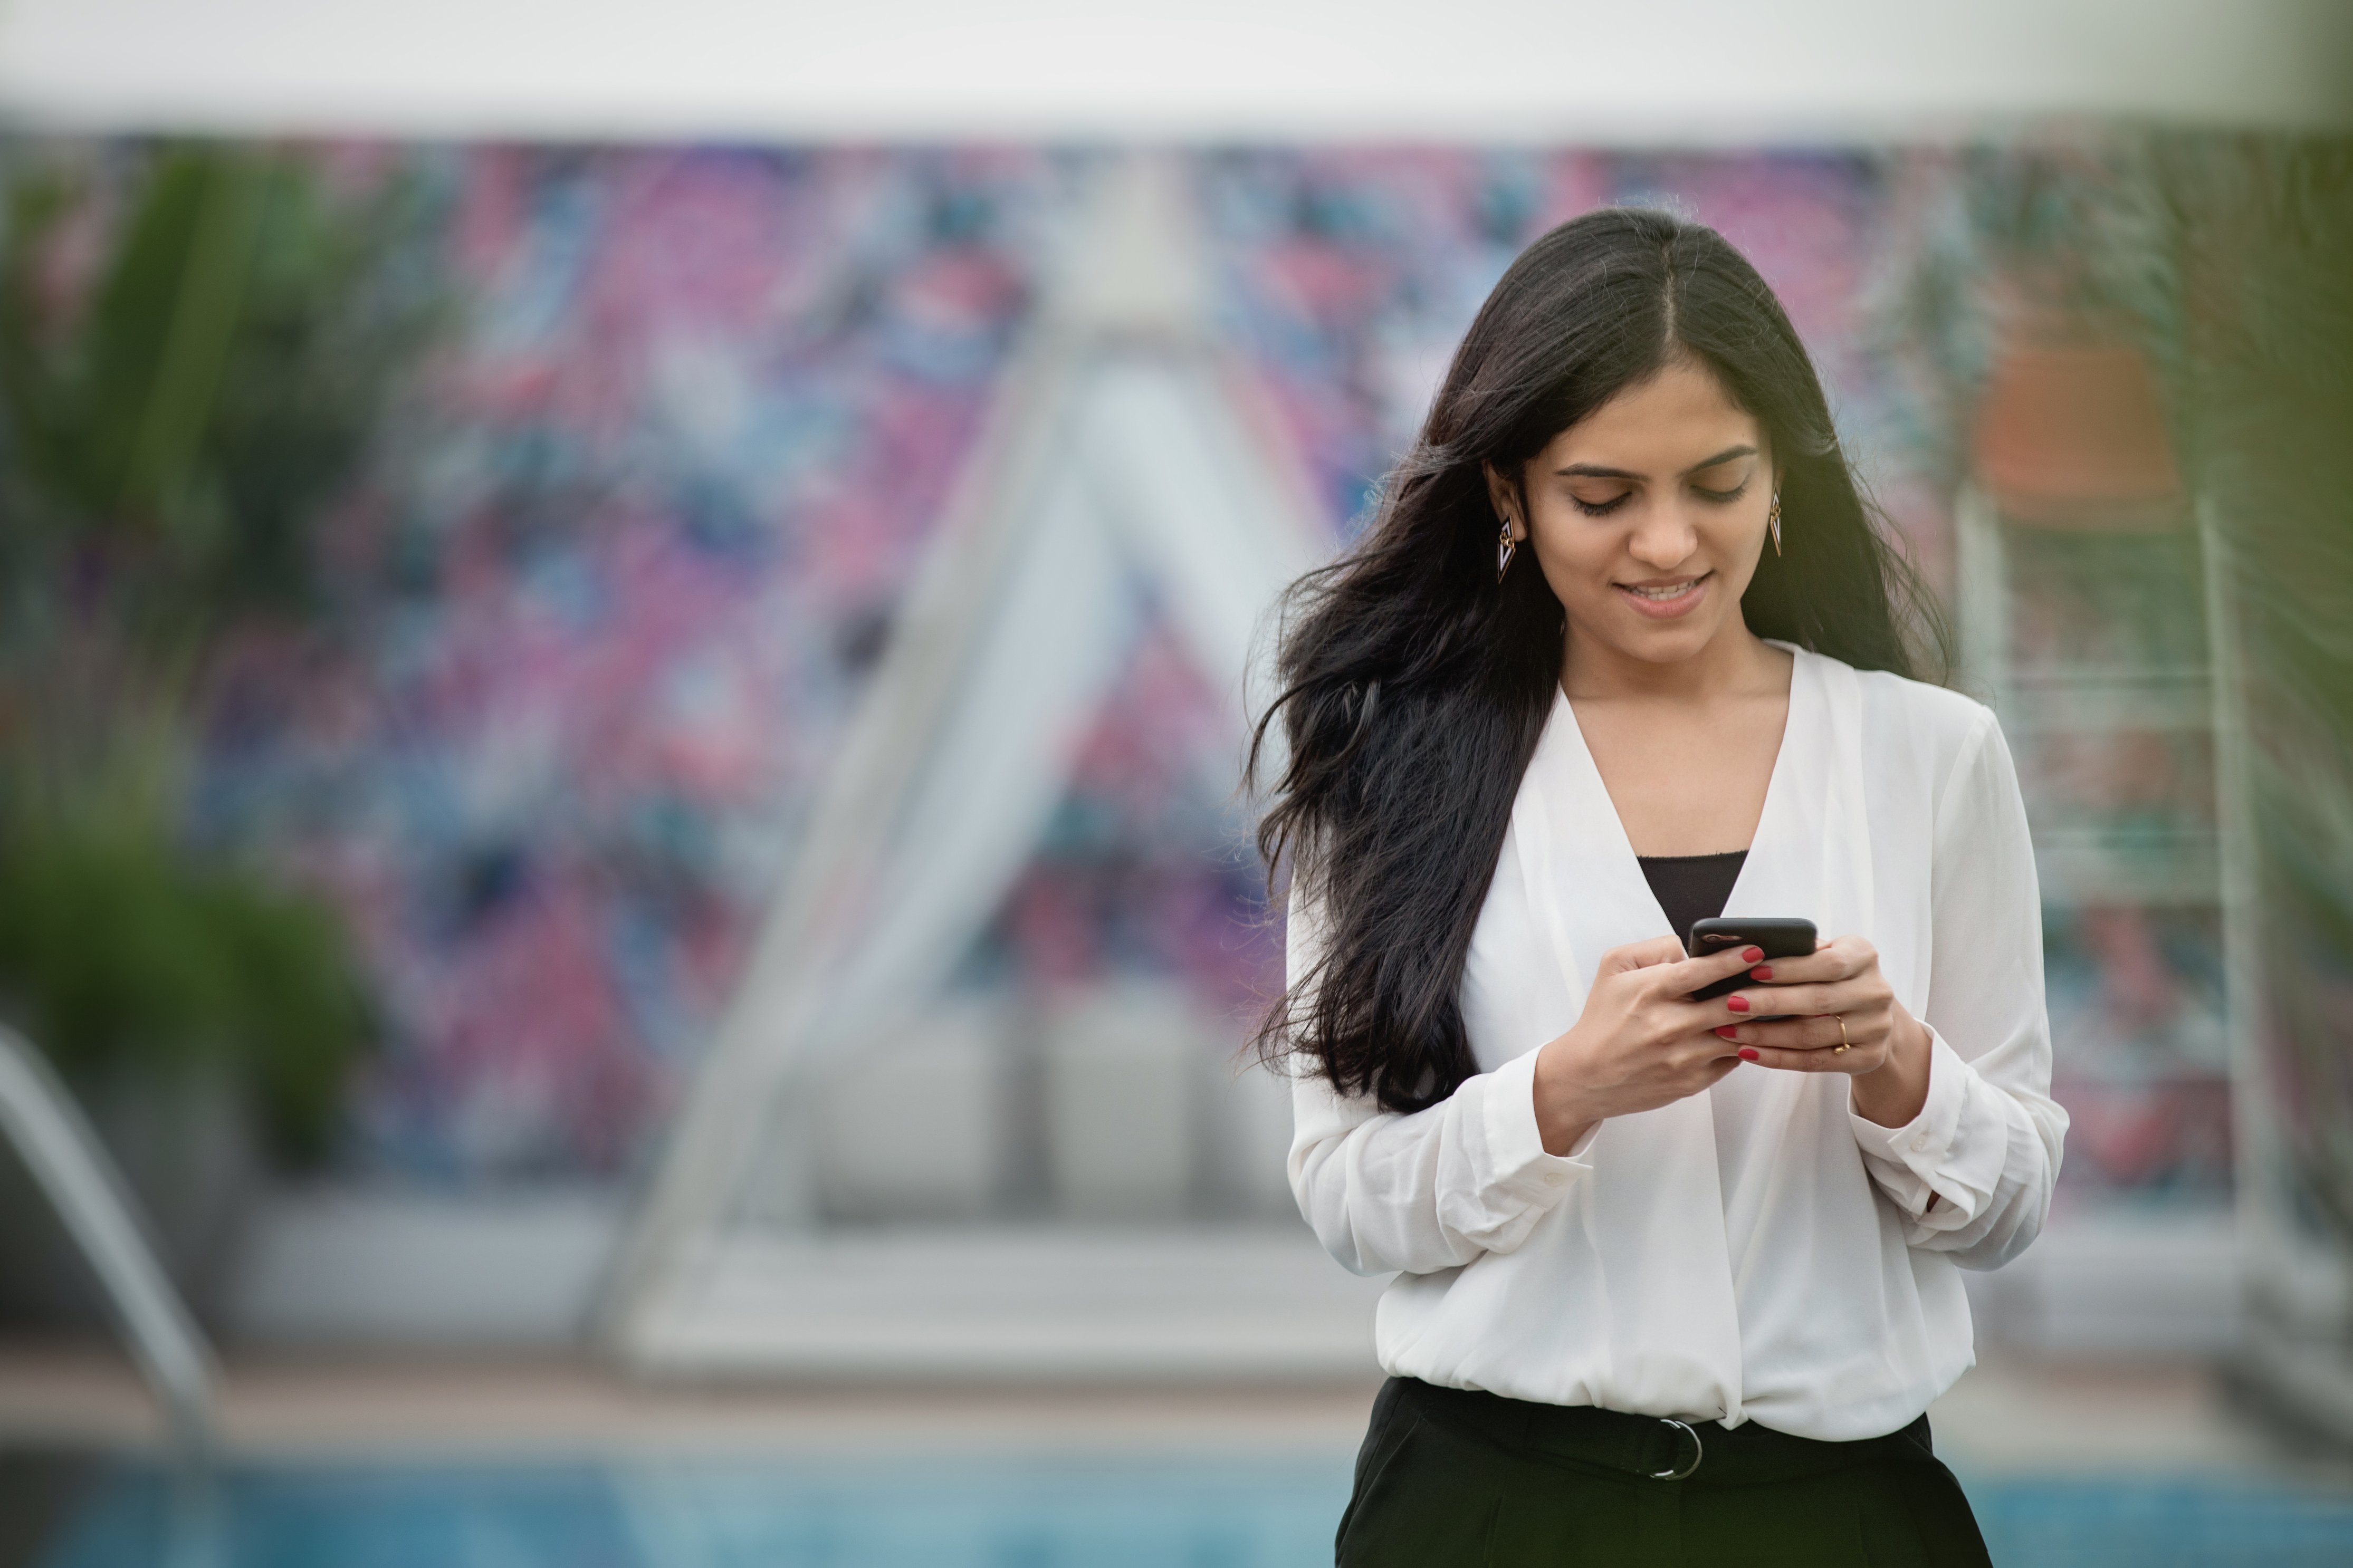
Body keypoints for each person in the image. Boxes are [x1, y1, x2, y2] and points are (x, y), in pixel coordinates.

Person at [1249, 208, 2067, 1566]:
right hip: (1490, 1511)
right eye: (1603, 495)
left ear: (1781, 477)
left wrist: (1897, 1067)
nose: (1669, 545)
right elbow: (1349, 1200)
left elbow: (2014, 1204)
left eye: (1717, 482)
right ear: (1508, 493)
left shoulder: (1933, 755)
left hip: (1843, 1520)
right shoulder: (1391, 763)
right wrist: (1563, 1093)